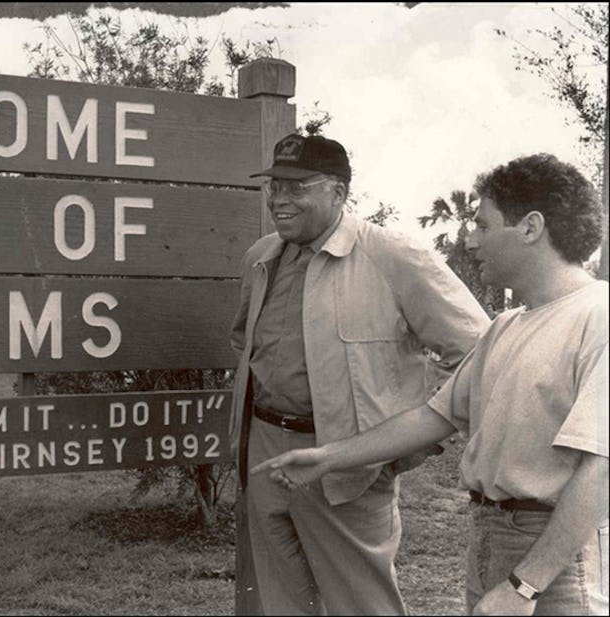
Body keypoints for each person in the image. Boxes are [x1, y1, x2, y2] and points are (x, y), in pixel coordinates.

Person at [252, 152, 608, 616]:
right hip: (489, 536)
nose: (470, 239)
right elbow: (435, 416)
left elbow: (600, 472)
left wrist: (525, 586)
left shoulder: (597, 318)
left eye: (482, 225)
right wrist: (327, 457)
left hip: (551, 553)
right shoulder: (507, 326)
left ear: (530, 227)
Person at [230, 133, 490, 615]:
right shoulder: (261, 258)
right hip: (264, 452)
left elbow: (482, 353)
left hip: (348, 466)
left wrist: (404, 446)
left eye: (296, 186)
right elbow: (248, 346)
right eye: (274, 187)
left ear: (338, 192)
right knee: (272, 604)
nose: (279, 199)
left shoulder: (391, 255)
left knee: (362, 606)